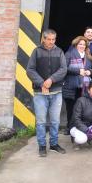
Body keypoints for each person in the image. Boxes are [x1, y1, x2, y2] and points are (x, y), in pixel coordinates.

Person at [26, 29, 67, 157]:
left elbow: (63, 69)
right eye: (48, 39)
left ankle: (54, 144)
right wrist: (42, 83)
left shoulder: (59, 51)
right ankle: (42, 146)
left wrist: (51, 79)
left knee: (55, 121)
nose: (51, 42)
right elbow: (30, 70)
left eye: (53, 39)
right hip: (40, 93)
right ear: (43, 39)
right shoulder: (36, 51)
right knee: (41, 122)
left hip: (56, 92)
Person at [62, 35, 92, 135]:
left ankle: (78, 127)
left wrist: (90, 72)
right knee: (71, 108)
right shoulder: (69, 54)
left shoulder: (88, 56)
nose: (82, 46)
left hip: (84, 87)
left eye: (84, 44)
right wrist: (78, 71)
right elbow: (64, 68)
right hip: (71, 86)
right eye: (80, 44)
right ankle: (69, 127)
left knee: (81, 108)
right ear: (76, 44)